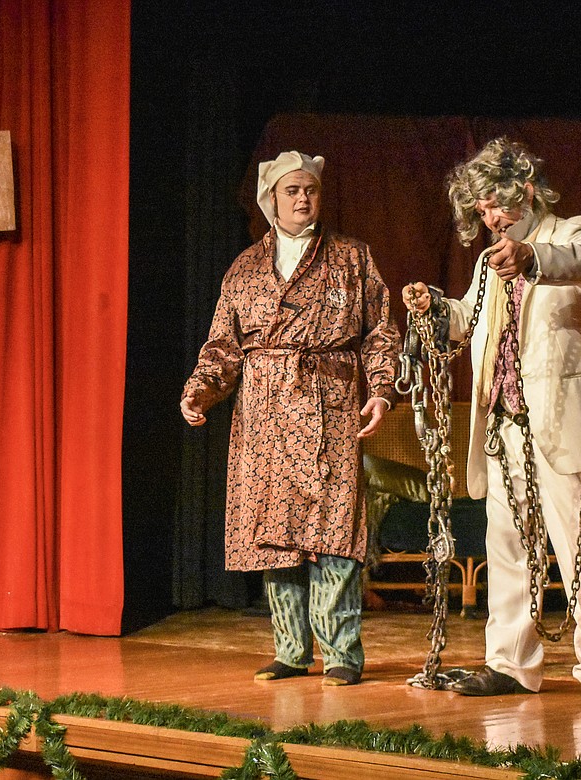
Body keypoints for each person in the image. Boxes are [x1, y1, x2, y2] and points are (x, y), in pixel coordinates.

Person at [402, 138, 581, 708]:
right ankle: (510, 662)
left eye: (495, 205)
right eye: (479, 211)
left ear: (524, 191)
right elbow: (468, 321)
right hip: (501, 423)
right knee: (506, 543)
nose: (489, 219)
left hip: (556, 417)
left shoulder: (572, 232)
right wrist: (434, 306)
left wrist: (533, 259)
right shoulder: (488, 260)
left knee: (579, 538)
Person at [181, 150, 400, 687]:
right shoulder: (245, 268)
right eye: (291, 190)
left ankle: (342, 653)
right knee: (274, 532)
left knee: (333, 532)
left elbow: (380, 332)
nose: (303, 198)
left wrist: (382, 389)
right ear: (270, 199)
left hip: (328, 399)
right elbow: (222, 346)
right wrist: (201, 391)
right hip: (264, 412)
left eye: (311, 190)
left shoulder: (351, 257)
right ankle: (290, 649)